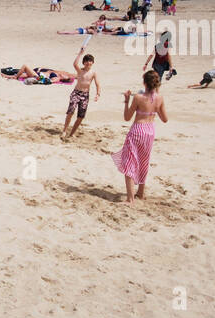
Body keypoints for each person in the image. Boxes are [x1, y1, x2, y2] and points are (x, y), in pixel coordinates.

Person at [112, 70, 168, 204]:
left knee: (129, 162)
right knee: (144, 161)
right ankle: (141, 193)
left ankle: (130, 198)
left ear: (144, 83)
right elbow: (165, 119)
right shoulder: (159, 98)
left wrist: (126, 101)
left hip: (137, 130)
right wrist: (155, 109)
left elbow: (127, 118)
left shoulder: (138, 97)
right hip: (150, 131)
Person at [62, 47, 100, 140]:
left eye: (90, 61)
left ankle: (72, 133)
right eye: (86, 61)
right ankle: (64, 131)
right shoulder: (80, 71)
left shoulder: (93, 72)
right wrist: (80, 53)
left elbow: (97, 84)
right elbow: (75, 64)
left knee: (80, 117)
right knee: (70, 112)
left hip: (85, 96)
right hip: (76, 93)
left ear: (93, 62)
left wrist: (98, 94)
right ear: (83, 62)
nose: (88, 63)